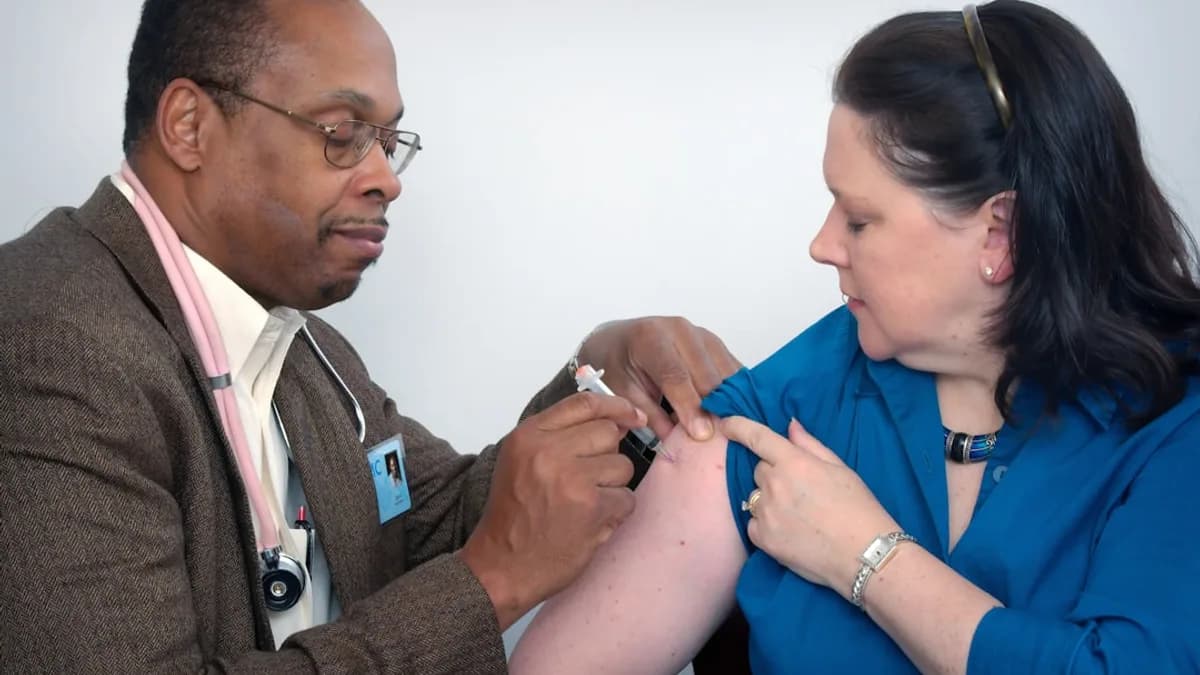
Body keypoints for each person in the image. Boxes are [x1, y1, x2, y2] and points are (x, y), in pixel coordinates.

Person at [0, 1, 743, 672]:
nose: (387, 178)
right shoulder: (48, 345)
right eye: (344, 133)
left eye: (388, 141)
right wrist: (491, 585)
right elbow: (488, 555)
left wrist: (599, 384)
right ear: (190, 126)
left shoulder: (304, 350)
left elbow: (434, 519)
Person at [509, 1, 1200, 673]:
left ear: (1000, 234)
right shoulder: (792, 403)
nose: (821, 245)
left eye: (860, 220)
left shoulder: (1174, 420)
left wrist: (868, 555)